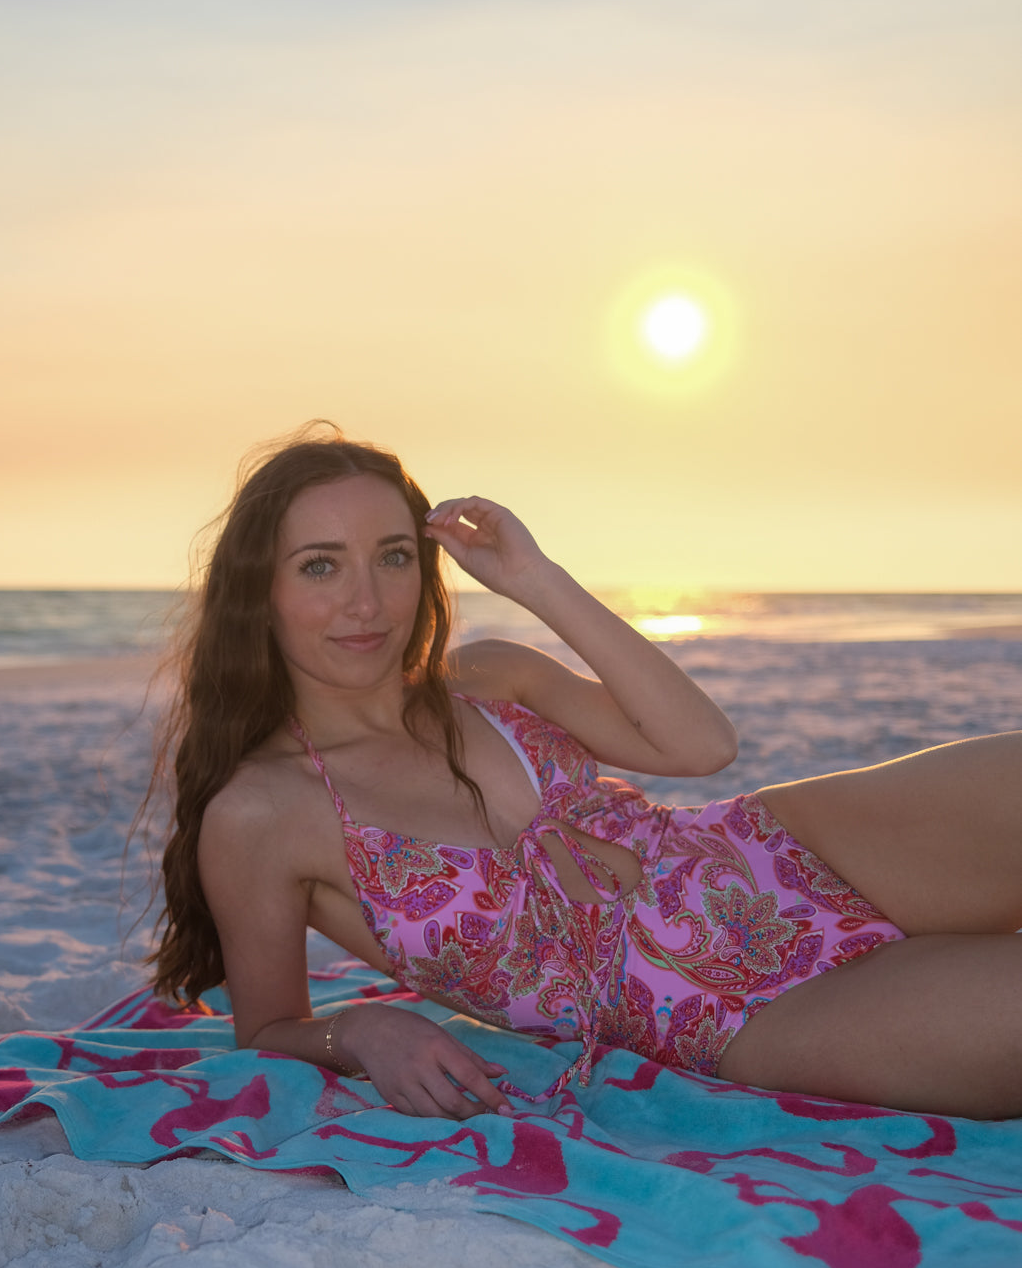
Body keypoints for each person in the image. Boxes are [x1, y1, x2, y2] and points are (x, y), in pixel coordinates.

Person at [148, 429, 1022, 1122]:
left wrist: (536, 578)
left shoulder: (489, 676)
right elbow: (266, 1031)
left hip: (781, 851)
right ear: (258, 591)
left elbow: (701, 745)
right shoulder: (263, 811)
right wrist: (360, 1027)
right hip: (731, 1012)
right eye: (320, 565)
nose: (367, 601)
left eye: (393, 555)